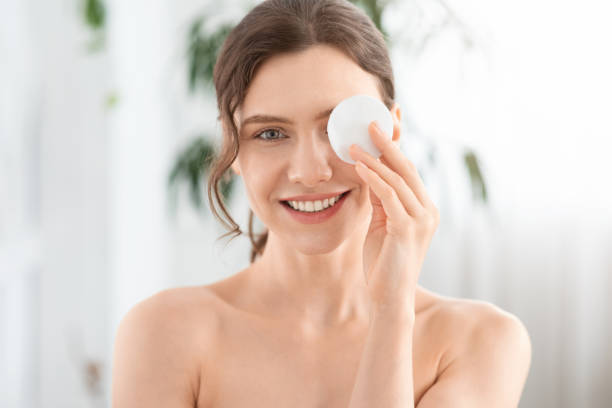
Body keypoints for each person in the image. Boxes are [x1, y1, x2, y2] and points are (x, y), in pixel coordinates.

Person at [111, 0, 532, 407]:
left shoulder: (481, 341)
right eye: (271, 134)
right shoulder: (165, 334)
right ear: (232, 147)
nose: (310, 172)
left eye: (337, 128)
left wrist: (390, 310)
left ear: (392, 131)